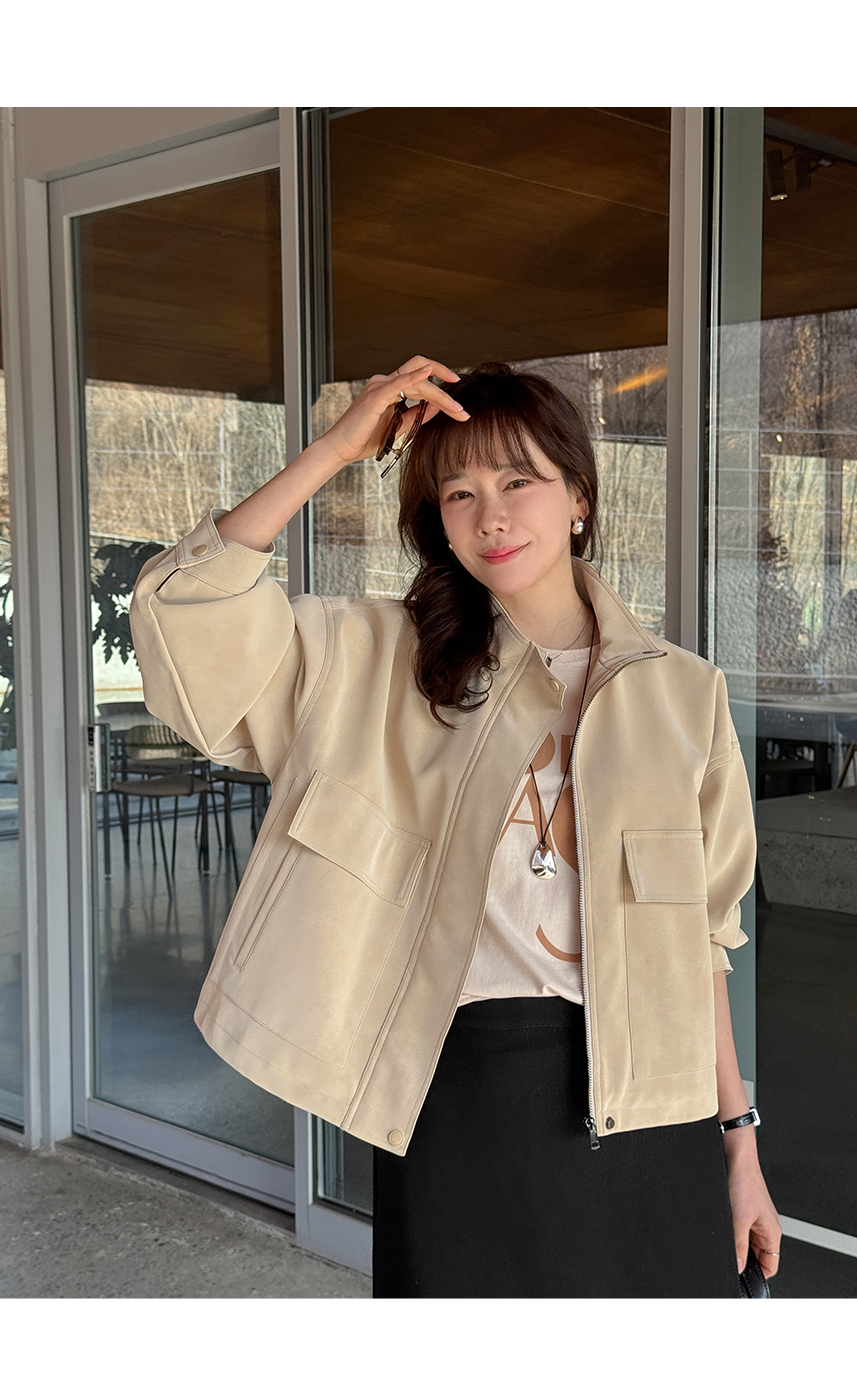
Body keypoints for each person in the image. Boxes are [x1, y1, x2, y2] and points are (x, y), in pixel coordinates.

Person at [129, 355, 782, 1298]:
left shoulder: (685, 694)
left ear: (580, 497)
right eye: (459, 493)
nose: (492, 517)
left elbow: (704, 944)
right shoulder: (373, 661)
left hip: (657, 1110)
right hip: (464, 1098)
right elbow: (189, 612)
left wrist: (739, 1147)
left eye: (519, 482)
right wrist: (335, 449)